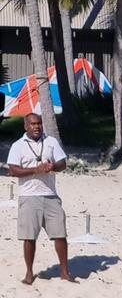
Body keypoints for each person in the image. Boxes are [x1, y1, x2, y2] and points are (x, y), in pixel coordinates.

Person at [6, 112, 75, 285]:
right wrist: (35, 170)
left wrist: (53, 166)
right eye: (33, 124)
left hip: (50, 195)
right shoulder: (18, 145)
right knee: (29, 237)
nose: (37, 127)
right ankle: (29, 273)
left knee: (60, 234)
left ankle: (65, 272)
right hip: (29, 196)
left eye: (39, 123)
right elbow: (13, 170)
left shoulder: (51, 142)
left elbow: (62, 164)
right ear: (26, 126)